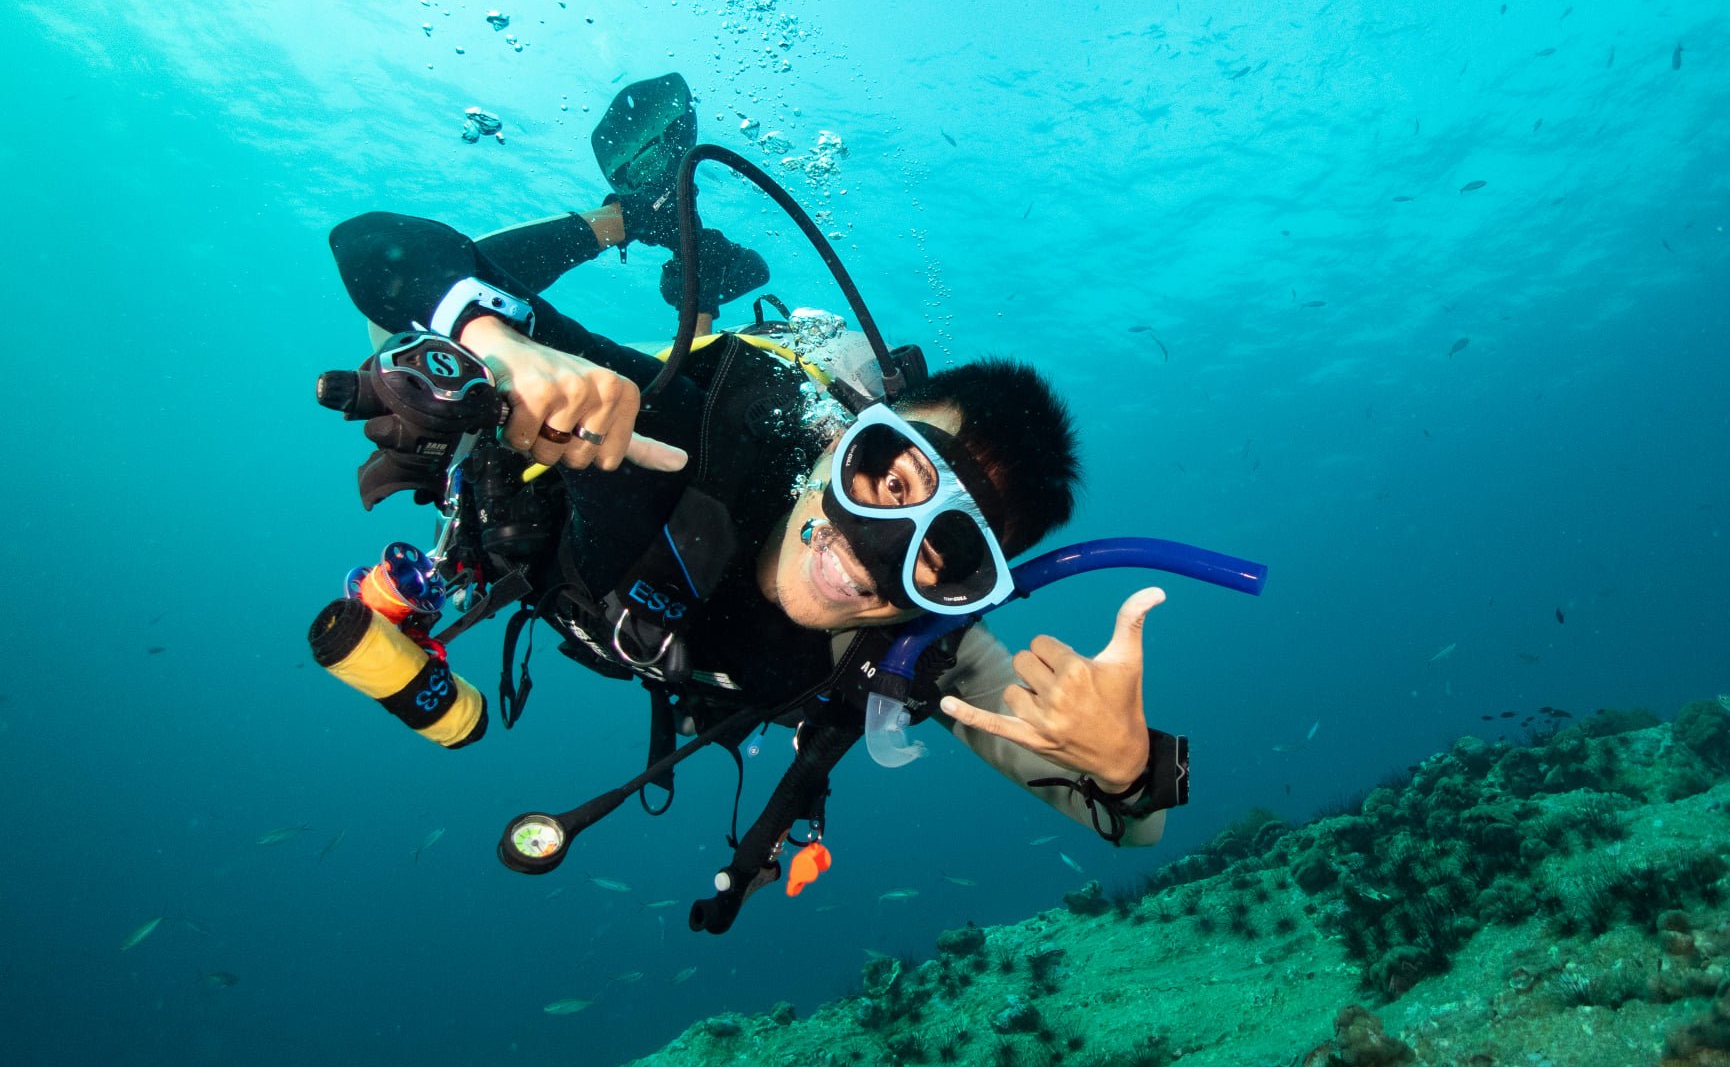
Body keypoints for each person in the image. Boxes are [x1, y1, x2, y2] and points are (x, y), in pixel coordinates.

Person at [319, 74, 1192, 927]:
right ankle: (620, 219)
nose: (873, 551)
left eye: (949, 548)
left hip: (616, 594)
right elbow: (370, 244)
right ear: (842, 435)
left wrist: (1126, 767)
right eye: (891, 478)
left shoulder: (923, 643)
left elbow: (1136, 827)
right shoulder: (670, 430)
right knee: (433, 361)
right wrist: (492, 341)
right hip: (582, 487)